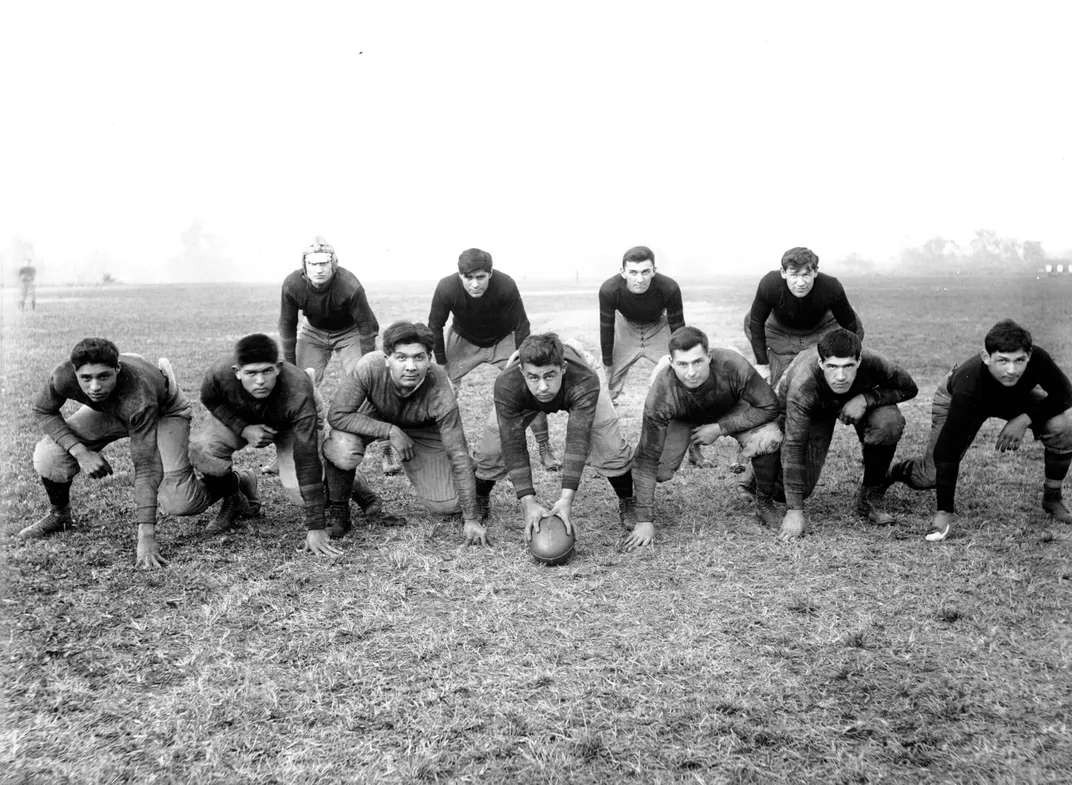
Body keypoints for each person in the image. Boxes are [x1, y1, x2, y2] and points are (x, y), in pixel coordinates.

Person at [20, 338, 230, 568]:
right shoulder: (62, 376)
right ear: (74, 371)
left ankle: (235, 485)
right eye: (86, 378)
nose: (94, 387)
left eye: (103, 376)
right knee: (49, 455)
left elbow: (146, 467)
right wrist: (80, 452)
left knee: (182, 503)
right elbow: (43, 409)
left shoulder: (140, 397)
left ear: (117, 369)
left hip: (162, 410)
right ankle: (60, 515)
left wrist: (146, 536)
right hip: (113, 407)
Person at [885, 319, 1072, 541]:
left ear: (1029, 355)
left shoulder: (1037, 359)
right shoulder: (969, 386)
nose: (1011, 370)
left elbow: (1065, 393)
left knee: (1062, 427)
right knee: (929, 476)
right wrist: (944, 511)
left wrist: (1025, 419)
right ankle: (894, 471)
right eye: (1002, 361)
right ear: (986, 357)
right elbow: (948, 451)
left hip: (1013, 398)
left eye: (1019, 360)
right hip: (962, 397)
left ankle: (1052, 497)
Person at [322, 321, 487, 546]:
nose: (410, 366)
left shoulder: (440, 390)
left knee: (446, 505)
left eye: (419, 357)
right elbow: (338, 415)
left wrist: (471, 518)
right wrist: (388, 430)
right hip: (378, 414)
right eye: (401, 357)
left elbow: (457, 452)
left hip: (422, 427)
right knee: (342, 445)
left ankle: (476, 475)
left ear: (429, 359)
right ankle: (340, 510)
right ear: (386, 359)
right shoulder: (370, 366)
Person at [626, 327, 784, 549]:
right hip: (681, 417)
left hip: (728, 407)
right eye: (682, 364)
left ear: (709, 356)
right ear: (671, 362)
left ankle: (764, 503)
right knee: (658, 470)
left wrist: (720, 428)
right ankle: (633, 502)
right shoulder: (661, 392)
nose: (691, 372)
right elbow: (646, 458)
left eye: (697, 362)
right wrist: (644, 520)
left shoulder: (732, 364)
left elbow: (770, 406)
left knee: (769, 437)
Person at [190, 333, 340, 558]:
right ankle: (236, 493)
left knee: (302, 493)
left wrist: (315, 526)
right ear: (237, 372)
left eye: (266, 371)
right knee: (203, 450)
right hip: (244, 415)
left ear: (278, 367)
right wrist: (243, 428)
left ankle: (346, 480)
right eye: (251, 373)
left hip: (290, 420)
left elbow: (306, 458)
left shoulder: (297, 389)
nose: (260, 381)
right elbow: (210, 398)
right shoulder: (219, 372)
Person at [474, 333, 635, 541]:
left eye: (549, 376)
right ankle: (480, 495)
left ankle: (628, 498)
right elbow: (513, 444)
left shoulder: (583, 378)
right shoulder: (508, 383)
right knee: (491, 448)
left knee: (609, 445)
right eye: (534, 377)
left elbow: (577, 438)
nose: (542, 387)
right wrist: (528, 502)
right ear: (522, 372)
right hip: (521, 385)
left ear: (563, 369)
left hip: (581, 370)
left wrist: (566, 500)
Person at [776, 329, 918, 541]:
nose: (840, 376)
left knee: (888, 423)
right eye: (832, 367)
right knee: (794, 488)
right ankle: (755, 476)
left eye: (848, 366)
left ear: (859, 361)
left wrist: (866, 399)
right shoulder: (803, 384)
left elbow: (909, 388)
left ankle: (870, 495)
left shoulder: (875, 361)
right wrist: (794, 510)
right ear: (821, 364)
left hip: (858, 399)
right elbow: (794, 443)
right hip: (815, 407)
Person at [428, 248, 561, 471]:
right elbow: (435, 325)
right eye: (468, 278)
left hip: (503, 340)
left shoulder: (505, 284)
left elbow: (522, 324)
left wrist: (523, 362)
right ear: (459, 275)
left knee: (531, 387)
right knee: (441, 389)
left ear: (490, 273)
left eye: (480, 277)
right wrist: (442, 363)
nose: (475, 284)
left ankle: (544, 446)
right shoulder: (446, 287)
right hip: (464, 340)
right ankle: (450, 451)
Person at [276, 236, 396, 474]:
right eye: (313, 264)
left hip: (349, 331)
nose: (319, 269)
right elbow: (287, 326)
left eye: (324, 263)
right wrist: (291, 369)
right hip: (313, 332)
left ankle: (386, 448)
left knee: (368, 385)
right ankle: (290, 449)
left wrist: (367, 366)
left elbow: (367, 327)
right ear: (304, 267)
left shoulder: (349, 285)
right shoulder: (292, 285)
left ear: (334, 264)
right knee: (298, 386)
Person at [598, 245, 706, 467]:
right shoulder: (609, 289)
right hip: (625, 328)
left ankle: (695, 449)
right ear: (622, 272)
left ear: (654, 271)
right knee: (604, 388)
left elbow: (679, 329)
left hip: (659, 327)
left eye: (645, 272)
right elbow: (606, 328)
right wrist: (608, 364)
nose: (640, 278)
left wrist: (681, 362)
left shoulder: (669, 288)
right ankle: (601, 449)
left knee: (686, 381)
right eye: (633, 272)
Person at [745, 247, 864, 386]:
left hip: (821, 327)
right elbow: (756, 322)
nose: (800, 283)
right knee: (779, 383)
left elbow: (850, 325)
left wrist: (849, 359)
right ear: (783, 273)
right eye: (794, 275)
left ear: (815, 272)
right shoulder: (769, 284)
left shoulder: (831, 286)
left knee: (854, 323)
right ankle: (774, 362)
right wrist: (762, 364)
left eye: (806, 275)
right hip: (778, 330)